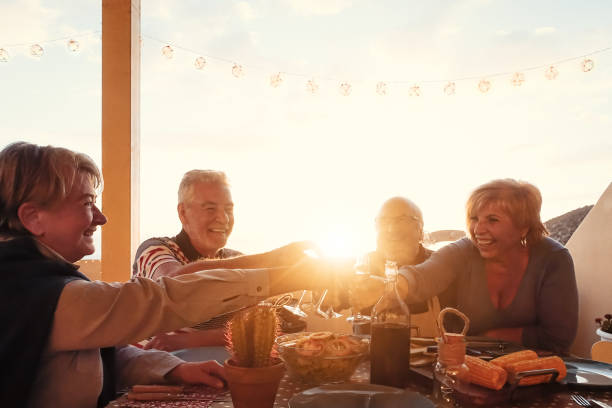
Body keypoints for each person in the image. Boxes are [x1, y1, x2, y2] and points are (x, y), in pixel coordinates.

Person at [0, 142, 343, 408]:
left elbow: (104, 351)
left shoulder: (42, 280)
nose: (101, 218)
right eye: (87, 203)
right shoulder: (29, 291)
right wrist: (288, 275)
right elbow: (165, 296)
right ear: (33, 218)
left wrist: (174, 368)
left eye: (228, 208)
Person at [381, 179, 578, 353]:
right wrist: (390, 287)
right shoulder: (464, 251)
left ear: (523, 226)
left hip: (540, 372)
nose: (478, 229)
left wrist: (490, 337)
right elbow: (423, 277)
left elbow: (558, 339)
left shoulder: (553, 259)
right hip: (470, 367)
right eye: (474, 219)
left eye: (492, 220)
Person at [132, 170, 243, 351]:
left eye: (228, 209)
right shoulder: (155, 249)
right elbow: (175, 282)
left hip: (218, 373)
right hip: (158, 373)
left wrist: (192, 340)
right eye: (210, 209)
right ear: (183, 213)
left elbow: (257, 328)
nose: (223, 218)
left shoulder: (235, 259)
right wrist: (255, 265)